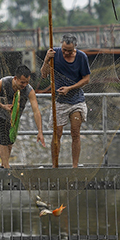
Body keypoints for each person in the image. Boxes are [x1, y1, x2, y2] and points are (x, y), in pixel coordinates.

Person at [40, 34, 91, 168]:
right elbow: (44, 74)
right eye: (64, 50)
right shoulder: (54, 54)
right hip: (59, 101)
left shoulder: (81, 57)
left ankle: (75, 165)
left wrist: (70, 88)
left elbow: (86, 79)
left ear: (75, 47)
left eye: (69, 50)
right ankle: (54, 165)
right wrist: (46, 59)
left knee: (75, 132)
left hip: (76, 100)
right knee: (57, 133)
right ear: (61, 45)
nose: (66, 53)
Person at [0, 64, 46, 168]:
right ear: (15, 78)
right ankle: (6, 167)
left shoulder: (29, 90)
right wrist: (3, 106)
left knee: (10, 141)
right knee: (3, 140)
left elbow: (36, 111)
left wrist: (40, 131)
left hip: (14, 117)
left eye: (27, 82)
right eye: (22, 82)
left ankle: (4, 164)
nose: (24, 85)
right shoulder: (4, 82)